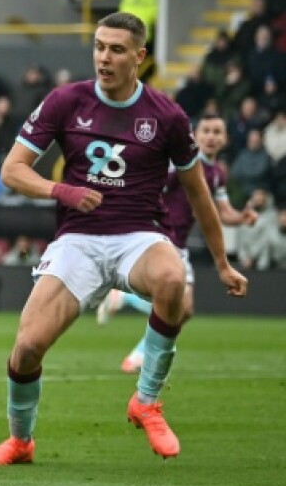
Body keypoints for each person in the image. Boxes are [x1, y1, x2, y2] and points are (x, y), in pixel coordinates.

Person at [0, 12, 248, 466]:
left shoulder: (167, 116)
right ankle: (21, 443)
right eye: (100, 46)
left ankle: (147, 401)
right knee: (26, 349)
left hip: (138, 236)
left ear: (139, 57)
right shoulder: (65, 101)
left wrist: (221, 262)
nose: (104, 56)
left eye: (116, 49)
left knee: (171, 278)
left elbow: (199, 192)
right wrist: (61, 189)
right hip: (78, 240)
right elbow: (12, 170)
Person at [96, 113, 257, 371]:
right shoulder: (182, 164)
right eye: (206, 131)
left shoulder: (217, 174)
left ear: (225, 139)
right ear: (196, 134)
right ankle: (130, 321)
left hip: (179, 243)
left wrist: (242, 218)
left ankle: (136, 349)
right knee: (174, 303)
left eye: (217, 132)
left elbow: (223, 212)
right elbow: (152, 184)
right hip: (161, 238)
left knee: (185, 310)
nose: (211, 137)